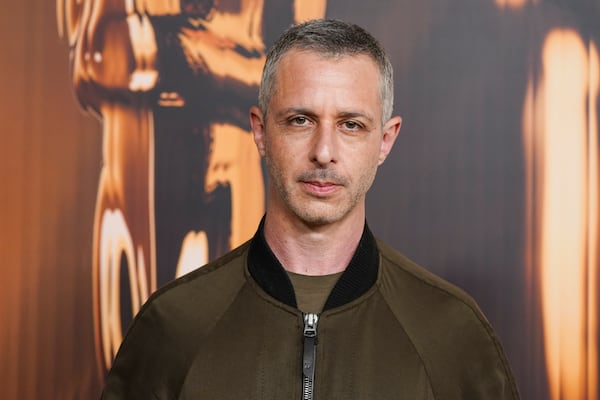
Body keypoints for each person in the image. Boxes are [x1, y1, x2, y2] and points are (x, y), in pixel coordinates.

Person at [100, 19, 521, 399]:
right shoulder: (173, 327)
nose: (324, 152)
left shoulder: (452, 335)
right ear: (260, 131)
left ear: (386, 141)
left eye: (350, 125)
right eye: (300, 120)